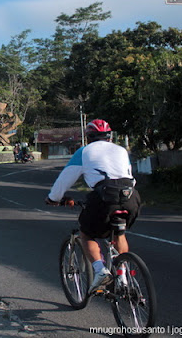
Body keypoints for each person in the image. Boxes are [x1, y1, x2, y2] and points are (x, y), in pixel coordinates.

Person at [44, 119, 141, 293]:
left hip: (104, 197)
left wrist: (53, 198)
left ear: (88, 137)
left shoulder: (84, 151)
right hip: (131, 197)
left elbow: (65, 179)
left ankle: (100, 270)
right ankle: (124, 277)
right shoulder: (121, 150)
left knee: (86, 234)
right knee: (119, 233)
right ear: (109, 136)